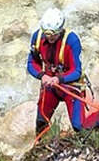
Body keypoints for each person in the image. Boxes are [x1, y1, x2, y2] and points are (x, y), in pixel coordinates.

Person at [27, 7, 86, 135]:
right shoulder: (37, 38)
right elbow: (31, 63)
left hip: (70, 87)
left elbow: (77, 71)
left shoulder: (71, 40)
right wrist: (42, 76)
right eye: (47, 35)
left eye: (54, 35)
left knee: (79, 127)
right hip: (51, 85)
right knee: (41, 121)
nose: (50, 38)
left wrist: (59, 79)